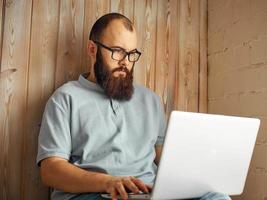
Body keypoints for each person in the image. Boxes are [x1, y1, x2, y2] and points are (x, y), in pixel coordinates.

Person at [37, 13, 231, 200]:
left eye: (131, 54)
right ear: (92, 49)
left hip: (149, 193)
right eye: (117, 51)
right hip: (93, 194)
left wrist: (200, 177)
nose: (125, 62)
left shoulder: (151, 100)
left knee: (217, 197)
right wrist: (109, 182)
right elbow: (50, 170)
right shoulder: (65, 98)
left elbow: (165, 160)